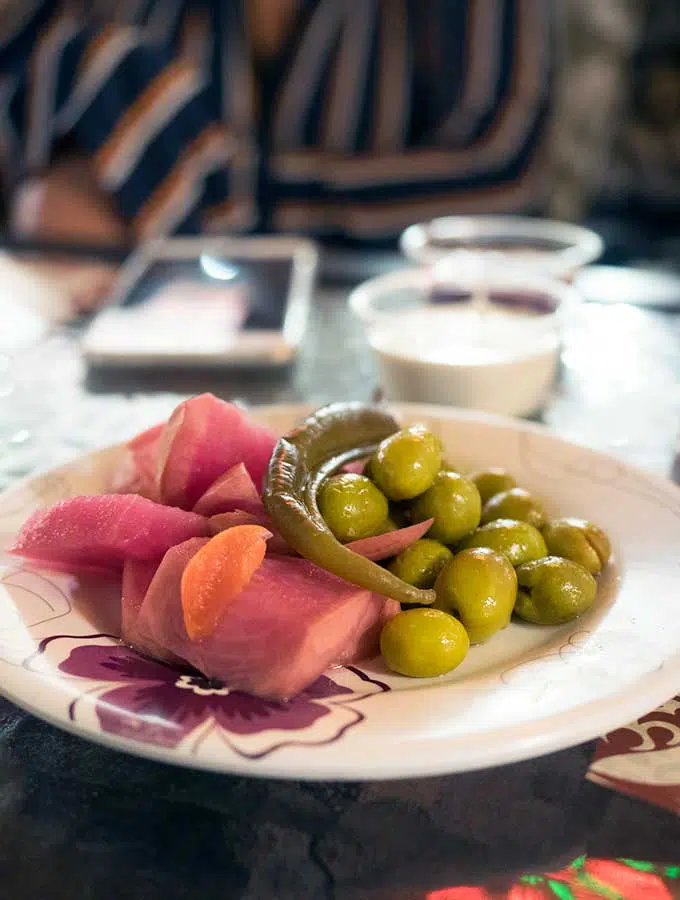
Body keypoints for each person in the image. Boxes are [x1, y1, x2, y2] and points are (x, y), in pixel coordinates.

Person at [0, 0, 556, 251]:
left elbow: (501, 170)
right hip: (148, 340)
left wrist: (206, 189)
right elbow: (35, 109)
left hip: (407, 331)